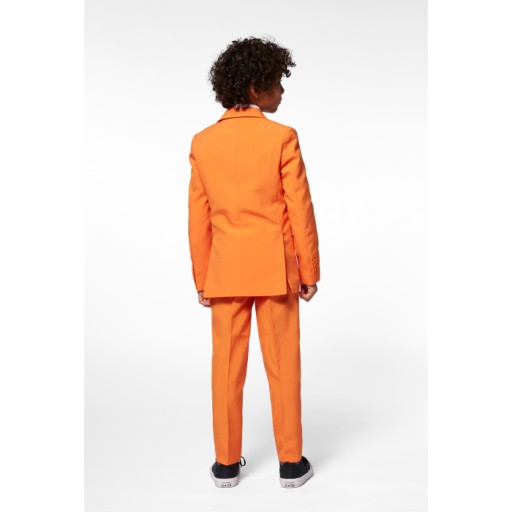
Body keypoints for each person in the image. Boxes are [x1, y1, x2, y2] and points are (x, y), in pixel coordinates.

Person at [188, 36, 320, 489]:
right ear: (254, 87)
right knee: (283, 366)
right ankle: (291, 463)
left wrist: (202, 278)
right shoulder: (282, 137)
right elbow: (300, 208)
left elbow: (199, 217)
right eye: (276, 83)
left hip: (225, 272)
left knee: (225, 368)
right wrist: (309, 271)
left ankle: (226, 464)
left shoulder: (203, 142)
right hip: (275, 271)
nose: (281, 91)